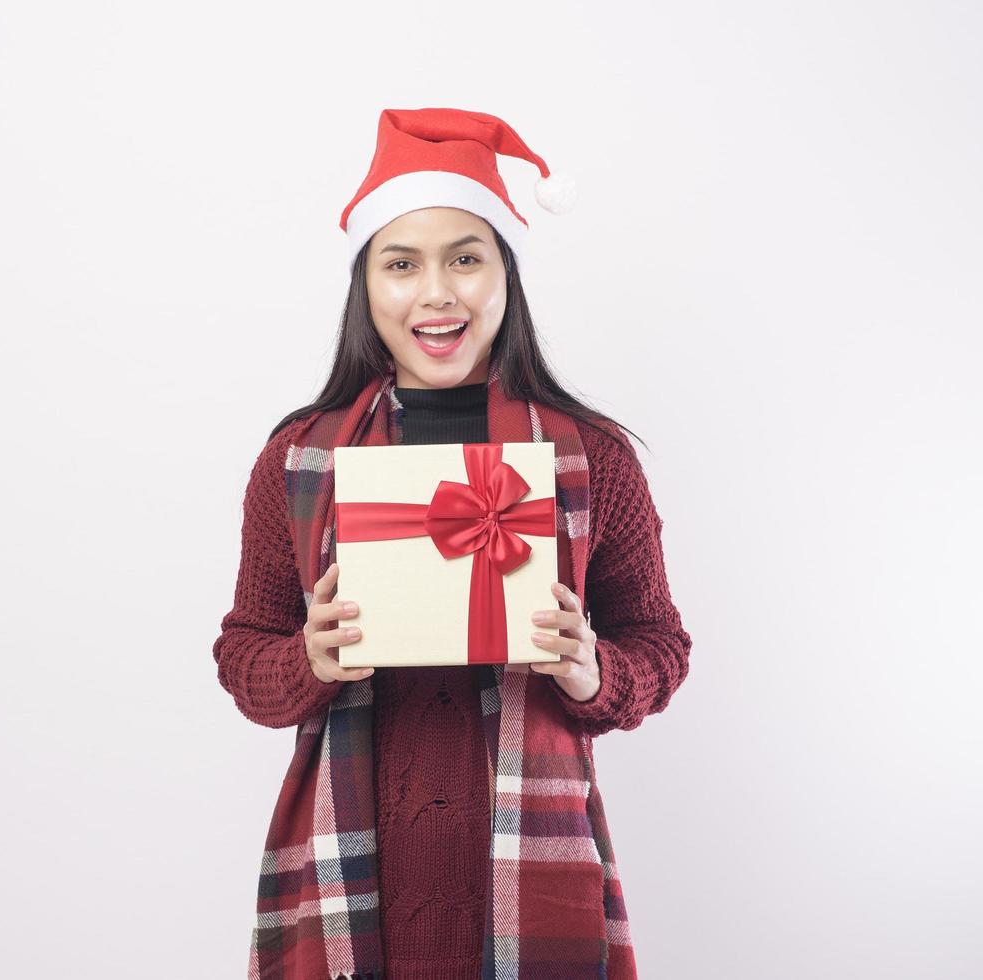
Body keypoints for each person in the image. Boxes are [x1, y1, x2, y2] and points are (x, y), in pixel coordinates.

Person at [212, 107, 692, 980]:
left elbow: (660, 645)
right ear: (368, 286)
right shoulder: (297, 460)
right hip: (350, 876)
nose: (437, 292)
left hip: (534, 872)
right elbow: (244, 651)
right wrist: (305, 661)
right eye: (402, 264)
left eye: (465, 257)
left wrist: (594, 672)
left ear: (506, 274)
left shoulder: (593, 459)